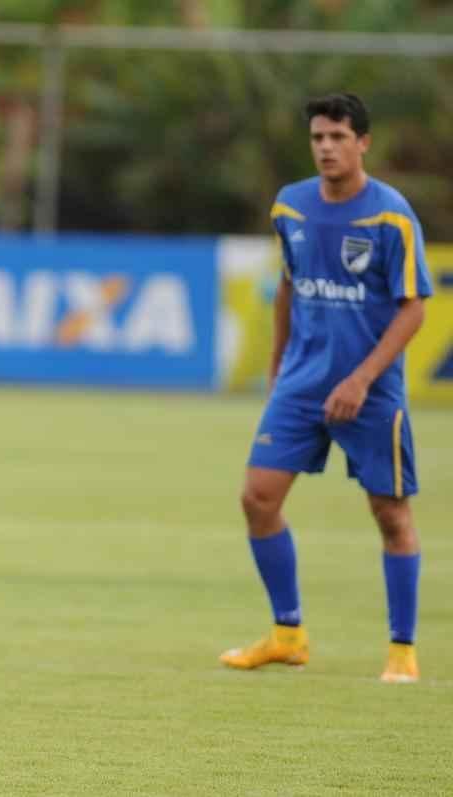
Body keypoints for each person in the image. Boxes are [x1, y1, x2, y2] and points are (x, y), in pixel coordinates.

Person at [222, 93, 432, 683]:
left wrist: (361, 379)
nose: (326, 147)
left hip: (371, 392)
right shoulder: (290, 205)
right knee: (257, 498)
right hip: (301, 384)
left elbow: (414, 308)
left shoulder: (391, 215)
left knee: (390, 513)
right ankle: (287, 635)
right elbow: (289, 287)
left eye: (338, 137)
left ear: (362, 143)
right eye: (318, 137)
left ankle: (402, 650)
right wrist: (277, 367)